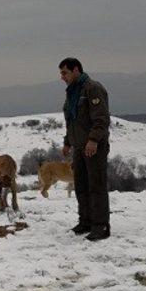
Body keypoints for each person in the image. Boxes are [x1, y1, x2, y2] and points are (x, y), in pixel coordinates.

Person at [59, 57, 110, 241]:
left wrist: (94, 140)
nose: (62, 77)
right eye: (61, 73)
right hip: (79, 147)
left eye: (65, 72)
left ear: (76, 70)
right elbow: (72, 120)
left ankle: (101, 226)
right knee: (81, 185)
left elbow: (101, 118)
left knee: (96, 186)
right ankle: (86, 222)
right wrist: (67, 142)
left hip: (93, 147)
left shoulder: (92, 88)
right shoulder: (72, 93)